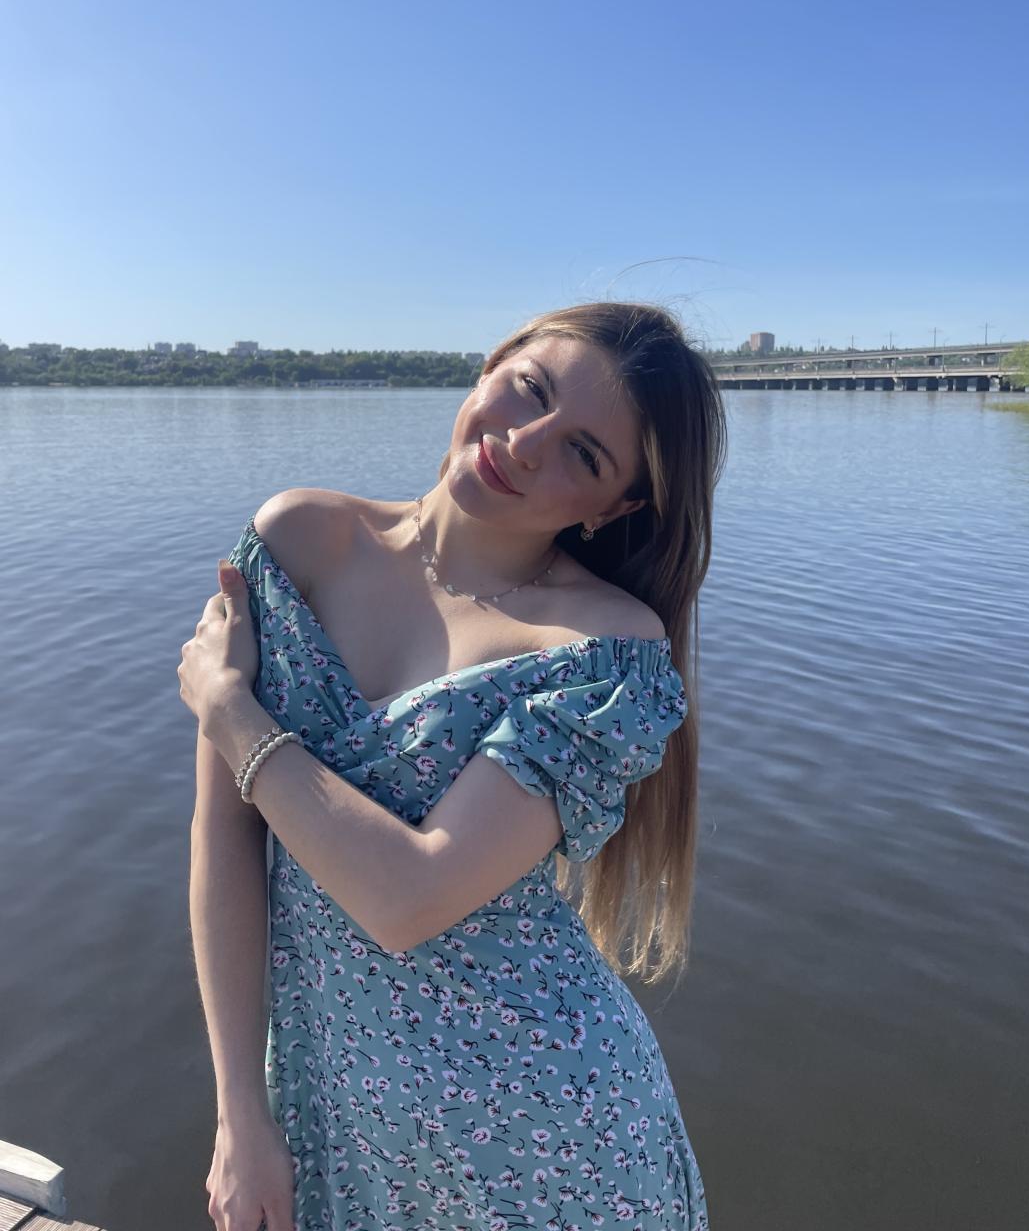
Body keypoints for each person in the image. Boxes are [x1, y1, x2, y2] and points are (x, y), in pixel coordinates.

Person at [182, 300, 726, 1231]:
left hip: (554, 1141)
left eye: (583, 454)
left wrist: (231, 712)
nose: (525, 444)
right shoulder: (298, 542)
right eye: (531, 390)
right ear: (492, 365)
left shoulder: (603, 651)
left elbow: (408, 897)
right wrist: (239, 1114)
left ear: (615, 507)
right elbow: (223, 837)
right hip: (339, 1099)